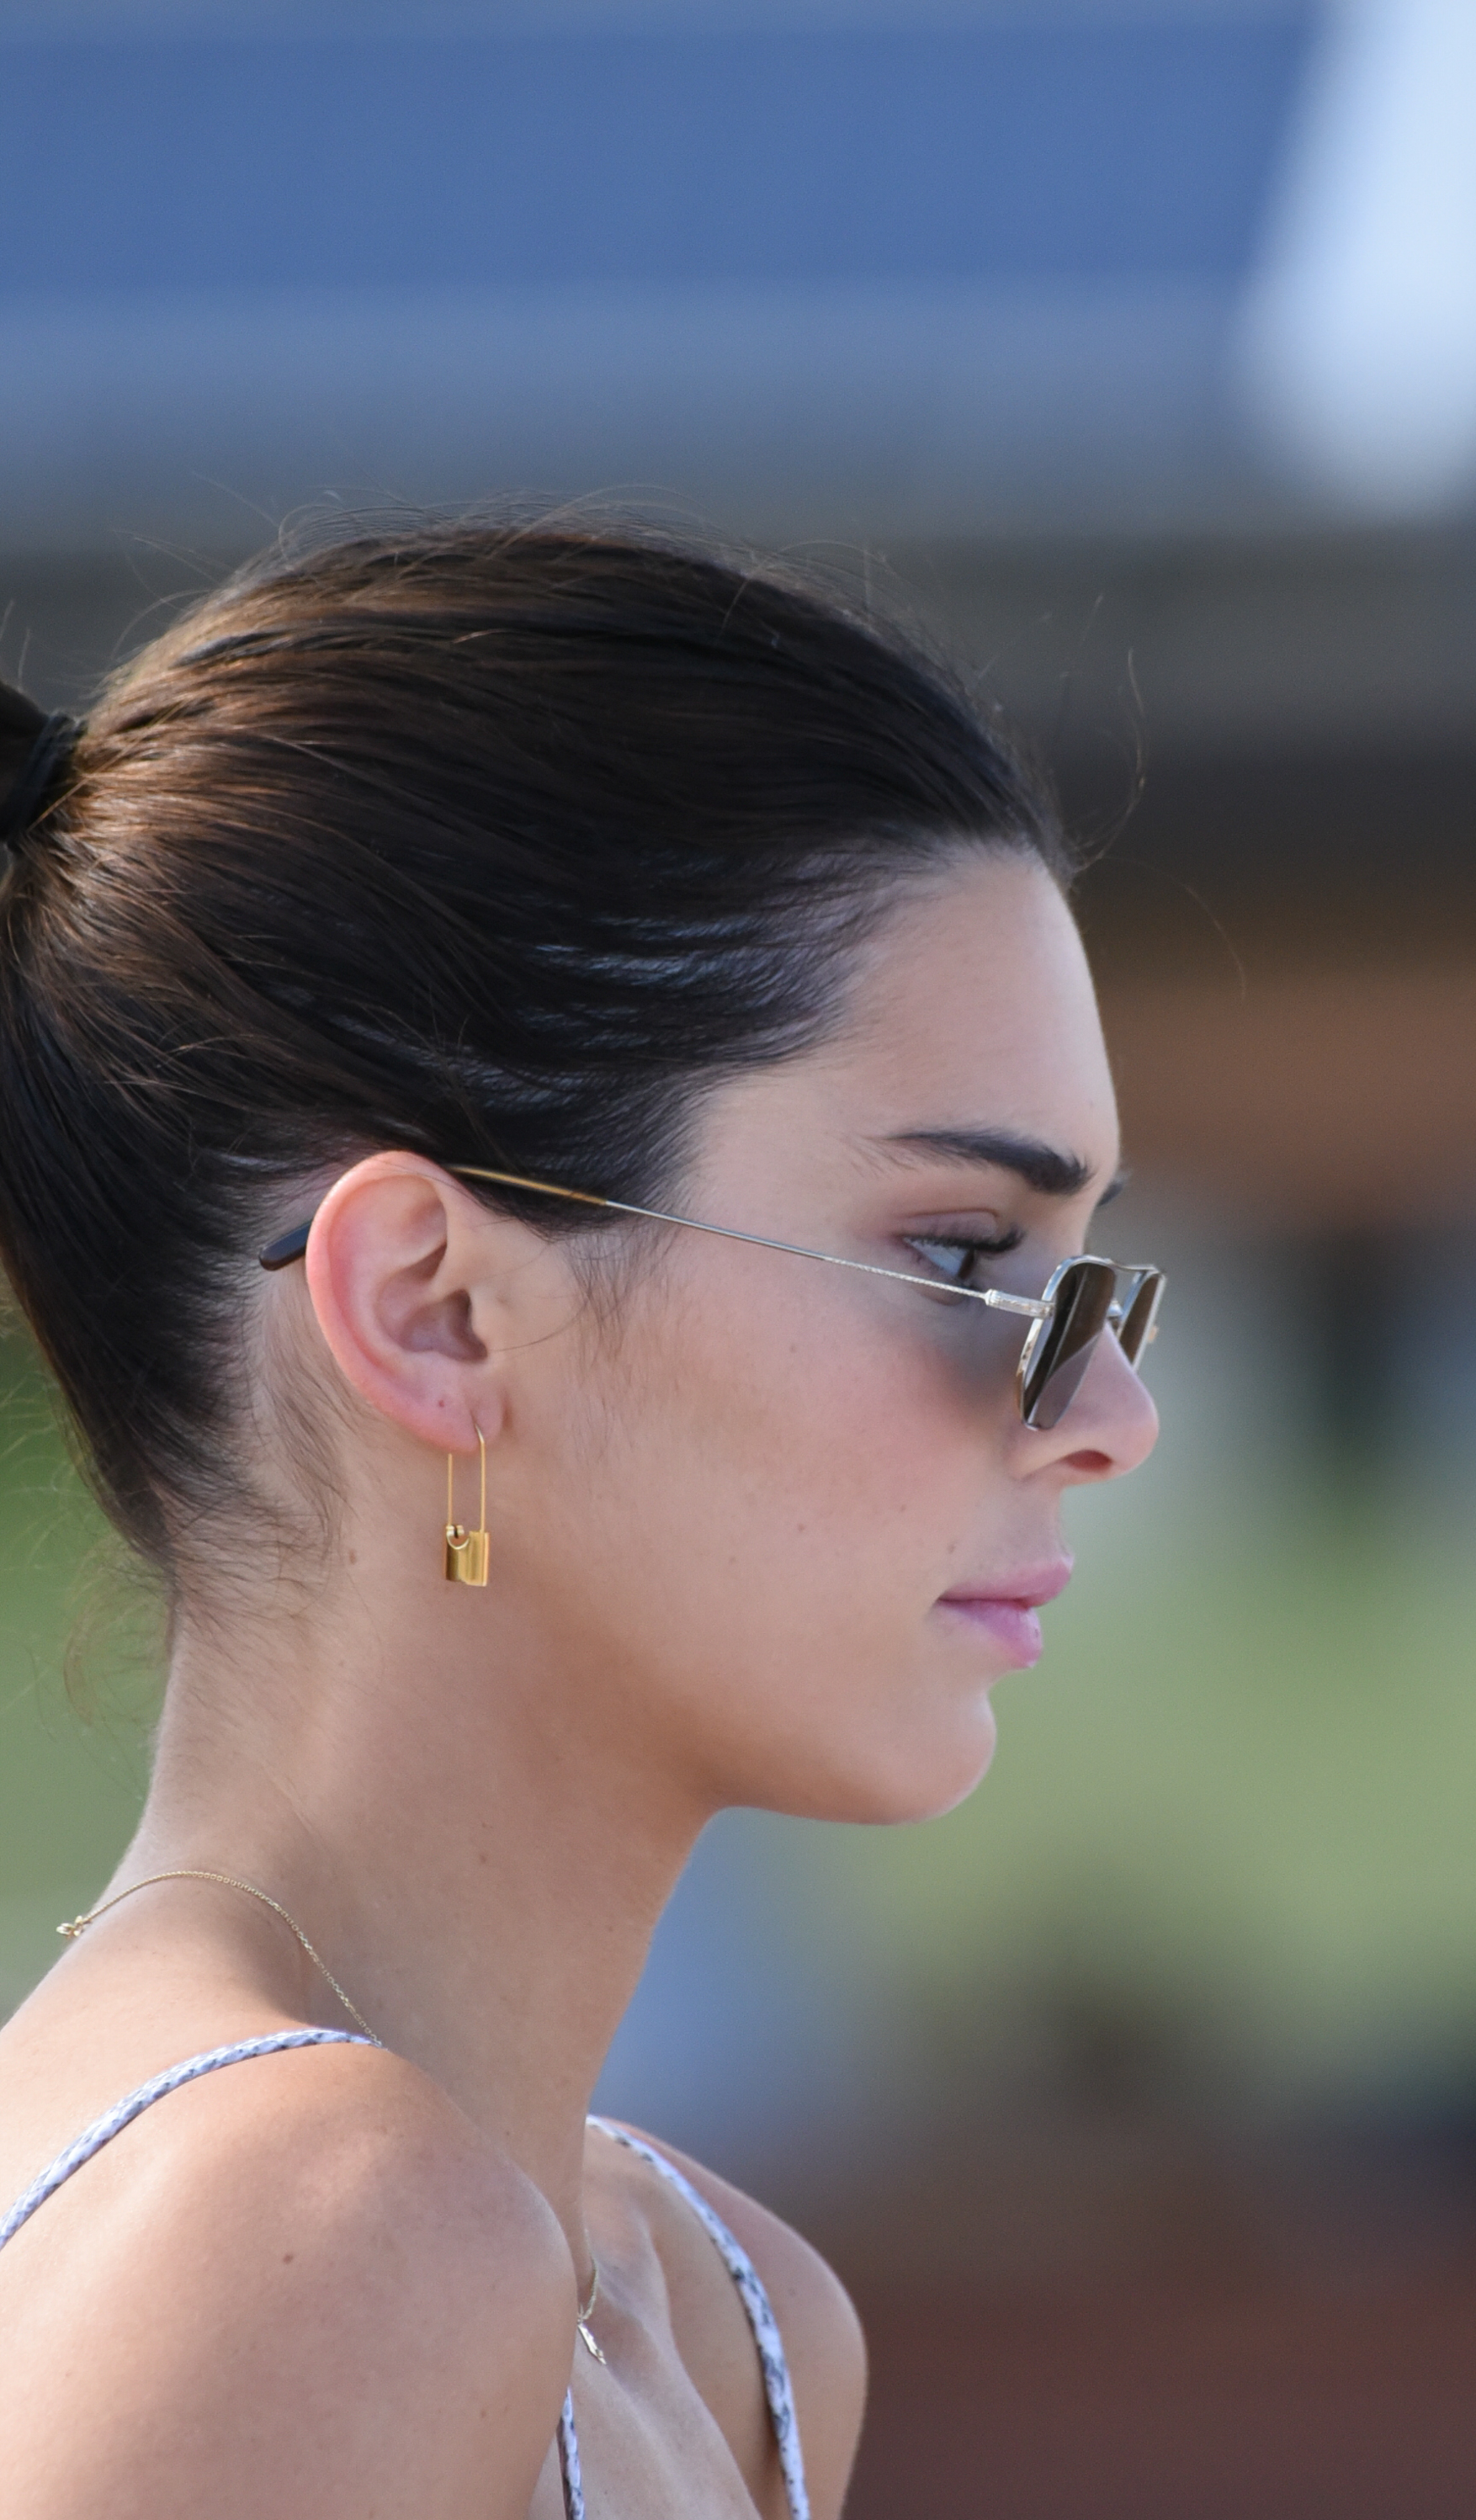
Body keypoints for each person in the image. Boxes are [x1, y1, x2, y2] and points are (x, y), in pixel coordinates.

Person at [0, 518, 1160, 2519]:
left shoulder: (725, 2316)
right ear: (433, 1313)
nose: (1110, 1419)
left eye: (1089, 1283)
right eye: (965, 1255)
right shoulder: (323, 2240)